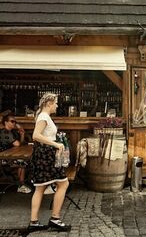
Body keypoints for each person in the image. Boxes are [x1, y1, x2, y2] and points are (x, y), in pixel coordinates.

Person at [28, 93, 71, 232]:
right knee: (63, 183)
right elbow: (36, 135)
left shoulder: (43, 116)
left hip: (43, 155)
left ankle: (34, 222)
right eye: (56, 103)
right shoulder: (44, 117)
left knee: (40, 187)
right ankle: (55, 219)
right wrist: (55, 144)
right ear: (49, 103)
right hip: (46, 155)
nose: (57, 106)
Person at [0, 113, 32, 193]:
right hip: (4, 158)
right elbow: (17, 144)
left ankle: (24, 182)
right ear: (6, 122)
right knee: (22, 160)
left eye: (15, 122)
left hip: (10, 155)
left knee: (25, 159)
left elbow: (20, 143)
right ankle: (21, 185)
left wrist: (22, 134)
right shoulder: (4, 132)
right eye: (12, 121)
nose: (14, 123)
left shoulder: (11, 132)